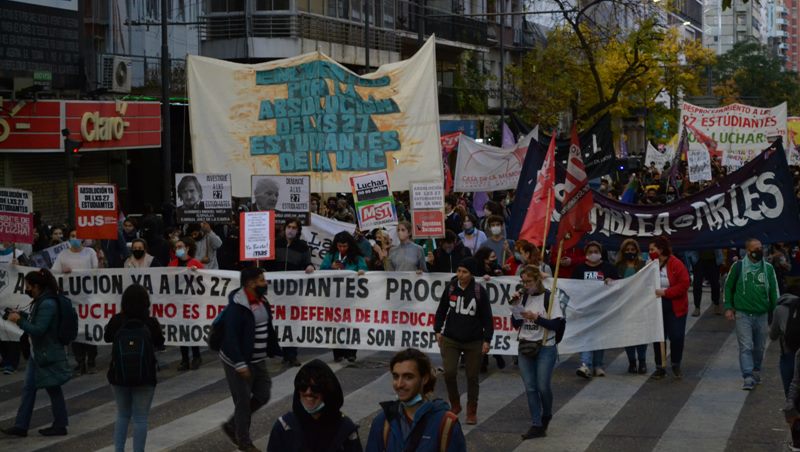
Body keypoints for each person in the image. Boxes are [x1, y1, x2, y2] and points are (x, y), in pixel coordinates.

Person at [2, 269, 71, 437]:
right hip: (38, 353)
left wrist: (19, 320)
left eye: (28, 286)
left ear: (37, 286)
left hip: (46, 353)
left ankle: (60, 425)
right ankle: (21, 426)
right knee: (29, 389)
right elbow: (36, 319)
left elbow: (39, 329)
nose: (27, 289)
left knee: (52, 388)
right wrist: (21, 314)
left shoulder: (47, 303)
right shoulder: (41, 301)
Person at [219, 267, 281, 452]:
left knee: (263, 393)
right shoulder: (237, 307)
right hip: (237, 361)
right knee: (243, 402)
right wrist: (240, 364)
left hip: (257, 359)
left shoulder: (262, 301)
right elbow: (230, 338)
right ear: (250, 283)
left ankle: (232, 425)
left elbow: (266, 327)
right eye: (262, 280)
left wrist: (273, 348)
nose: (265, 283)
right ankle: (244, 442)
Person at [104, 284, 165, 452]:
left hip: (118, 375)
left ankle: (119, 450)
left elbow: (107, 336)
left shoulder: (117, 320)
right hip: (145, 375)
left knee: (122, 415)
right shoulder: (150, 322)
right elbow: (160, 343)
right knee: (140, 418)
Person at [365, 348, 465, 452]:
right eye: (396, 377)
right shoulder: (383, 422)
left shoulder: (446, 424)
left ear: (424, 379)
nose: (399, 384)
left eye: (408, 377)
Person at [434, 257, 494, 425]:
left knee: (472, 376)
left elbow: (487, 318)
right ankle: (455, 404)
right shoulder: (451, 287)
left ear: (471, 273)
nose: (460, 275)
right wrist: (437, 330)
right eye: (458, 271)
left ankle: (471, 410)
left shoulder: (478, 291)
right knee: (450, 372)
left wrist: (487, 340)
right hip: (451, 338)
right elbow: (441, 310)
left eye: (464, 272)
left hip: (473, 341)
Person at [511, 266, 564, 439]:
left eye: (529, 282)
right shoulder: (523, 297)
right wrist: (516, 306)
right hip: (526, 344)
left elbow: (556, 325)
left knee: (543, 386)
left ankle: (546, 413)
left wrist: (537, 318)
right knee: (530, 387)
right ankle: (536, 423)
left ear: (537, 280)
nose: (526, 286)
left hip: (545, 346)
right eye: (524, 282)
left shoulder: (549, 297)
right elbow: (516, 324)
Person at [267, 359, 361, 452]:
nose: (308, 392)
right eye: (303, 386)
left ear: (328, 392)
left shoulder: (345, 429)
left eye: (316, 388)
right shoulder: (285, 427)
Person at [724, 238, 780, 390]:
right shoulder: (738, 266)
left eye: (761, 247)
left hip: (762, 315)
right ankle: (748, 376)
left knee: (760, 347)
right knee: (746, 346)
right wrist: (728, 307)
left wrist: (778, 312)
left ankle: (756, 370)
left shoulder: (768, 268)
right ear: (748, 251)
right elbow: (728, 287)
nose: (759, 251)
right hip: (743, 314)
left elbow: (774, 291)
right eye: (756, 248)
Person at [263, 218, 314, 367]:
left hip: (292, 292)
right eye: (288, 227)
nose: (290, 230)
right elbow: (266, 263)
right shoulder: (274, 243)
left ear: (298, 231)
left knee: (291, 322)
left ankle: (291, 354)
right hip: (274, 291)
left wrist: (310, 266)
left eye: (294, 227)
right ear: (284, 228)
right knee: (273, 320)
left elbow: (307, 263)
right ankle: (274, 349)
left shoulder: (303, 247)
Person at [51, 229, 99, 375]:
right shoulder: (63, 254)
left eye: (77, 236)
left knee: (90, 330)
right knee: (76, 331)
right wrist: (62, 271)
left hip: (88, 299)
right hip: (71, 300)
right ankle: (80, 361)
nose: (75, 239)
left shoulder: (90, 252)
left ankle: (91, 361)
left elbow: (97, 270)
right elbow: (54, 272)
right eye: (72, 236)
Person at [572, 241, 618, 378]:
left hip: (602, 309)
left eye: (596, 251)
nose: (593, 254)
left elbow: (619, 284)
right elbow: (572, 286)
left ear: (600, 253)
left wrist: (612, 281)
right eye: (590, 251)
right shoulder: (579, 269)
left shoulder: (608, 268)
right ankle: (586, 364)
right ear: (586, 254)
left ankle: (598, 365)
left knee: (598, 337)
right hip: (584, 309)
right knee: (586, 336)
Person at [320, 232, 366, 362]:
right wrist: (331, 267)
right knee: (336, 324)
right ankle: (338, 352)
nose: (342, 249)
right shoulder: (331, 256)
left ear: (350, 245)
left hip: (352, 297)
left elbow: (365, 270)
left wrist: (362, 271)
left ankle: (351, 352)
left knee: (352, 323)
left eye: (345, 246)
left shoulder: (357, 257)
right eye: (339, 246)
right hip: (334, 296)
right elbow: (321, 271)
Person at [649, 236, 691, 380]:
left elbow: (685, 283)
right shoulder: (651, 264)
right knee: (658, 337)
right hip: (657, 304)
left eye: (652, 249)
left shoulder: (676, 264)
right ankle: (660, 366)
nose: (650, 252)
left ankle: (675, 363)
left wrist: (666, 292)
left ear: (660, 250)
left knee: (676, 336)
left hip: (675, 305)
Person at [168, 237, 205, 371]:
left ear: (187, 248)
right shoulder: (172, 264)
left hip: (192, 303)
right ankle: (184, 359)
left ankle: (196, 356)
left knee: (192, 329)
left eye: (180, 246)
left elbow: (205, 281)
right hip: (178, 303)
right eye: (176, 247)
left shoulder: (195, 263)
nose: (177, 249)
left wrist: (197, 273)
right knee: (182, 331)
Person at [615, 239, 648, 374]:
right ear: (623, 252)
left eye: (632, 250)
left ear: (637, 251)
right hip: (625, 305)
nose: (630, 252)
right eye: (627, 250)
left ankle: (642, 361)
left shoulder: (643, 265)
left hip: (640, 304)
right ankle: (632, 362)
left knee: (641, 334)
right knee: (628, 334)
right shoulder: (618, 266)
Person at [770, 280, 800, 396]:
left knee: (789, 391)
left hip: (788, 352)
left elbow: (773, 335)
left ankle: (791, 407)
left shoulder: (779, 309)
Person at [687, 248, 724, 316]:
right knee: (697, 284)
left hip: (713, 259)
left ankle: (716, 304)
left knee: (715, 284)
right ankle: (697, 307)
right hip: (699, 259)